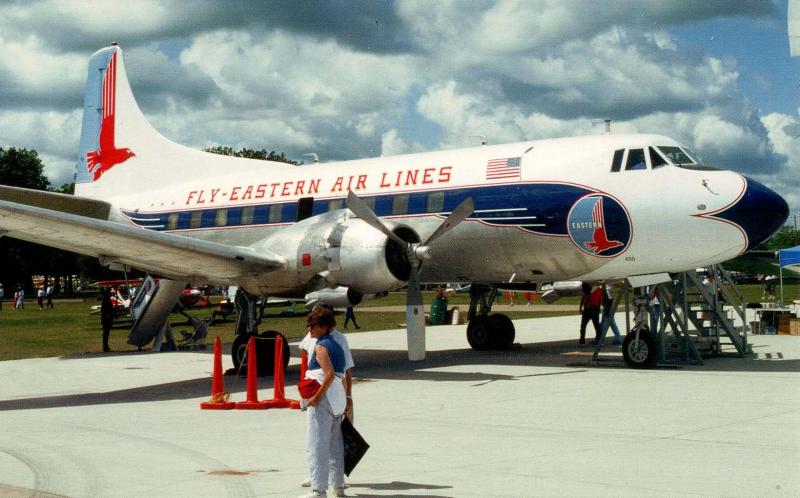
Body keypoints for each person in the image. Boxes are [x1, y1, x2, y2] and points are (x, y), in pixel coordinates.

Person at [301, 307, 348, 498]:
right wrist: (346, 398)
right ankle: (338, 486)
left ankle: (318, 490)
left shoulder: (321, 347)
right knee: (335, 444)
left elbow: (327, 375)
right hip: (337, 397)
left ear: (324, 327)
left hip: (324, 398)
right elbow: (341, 375)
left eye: (313, 325)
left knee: (317, 444)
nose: (309, 328)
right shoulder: (337, 344)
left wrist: (316, 397)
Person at [100, 287, 115, 352]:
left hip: (105, 318)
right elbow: (106, 310)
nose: (111, 294)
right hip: (106, 319)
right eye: (110, 293)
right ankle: (105, 348)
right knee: (106, 333)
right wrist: (109, 316)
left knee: (106, 333)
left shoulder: (106, 299)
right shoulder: (106, 300)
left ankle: (106, 347)